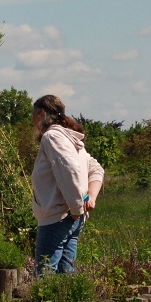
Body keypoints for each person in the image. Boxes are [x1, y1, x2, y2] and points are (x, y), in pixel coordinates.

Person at [31, 94, 104, 275]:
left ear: (41, 114)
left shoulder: (52, 137)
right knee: (65, 275)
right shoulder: (72, 140)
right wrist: (88, 200)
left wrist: (77, 208)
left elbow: (69, 171)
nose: (31, 120)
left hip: (58, 217)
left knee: (45, 275)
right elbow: (96, 170)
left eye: (33, 114)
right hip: (71, 216)